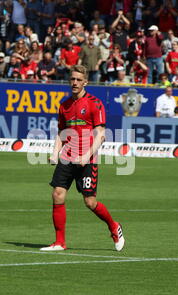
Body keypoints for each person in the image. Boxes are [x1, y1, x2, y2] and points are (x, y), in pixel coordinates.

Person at [42, 65, 125, 252]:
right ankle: (59, 242)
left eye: (79, 80)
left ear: (85, 82)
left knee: (90, 202)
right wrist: (55, 152)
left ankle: (114, 226)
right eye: (72, 79)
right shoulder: (64, 105)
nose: (75, 83)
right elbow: (61, 132)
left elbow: (101, 134)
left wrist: (87, 155)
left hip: (88, 159)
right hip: (67, 157)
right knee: (57, 194)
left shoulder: (94, 104)